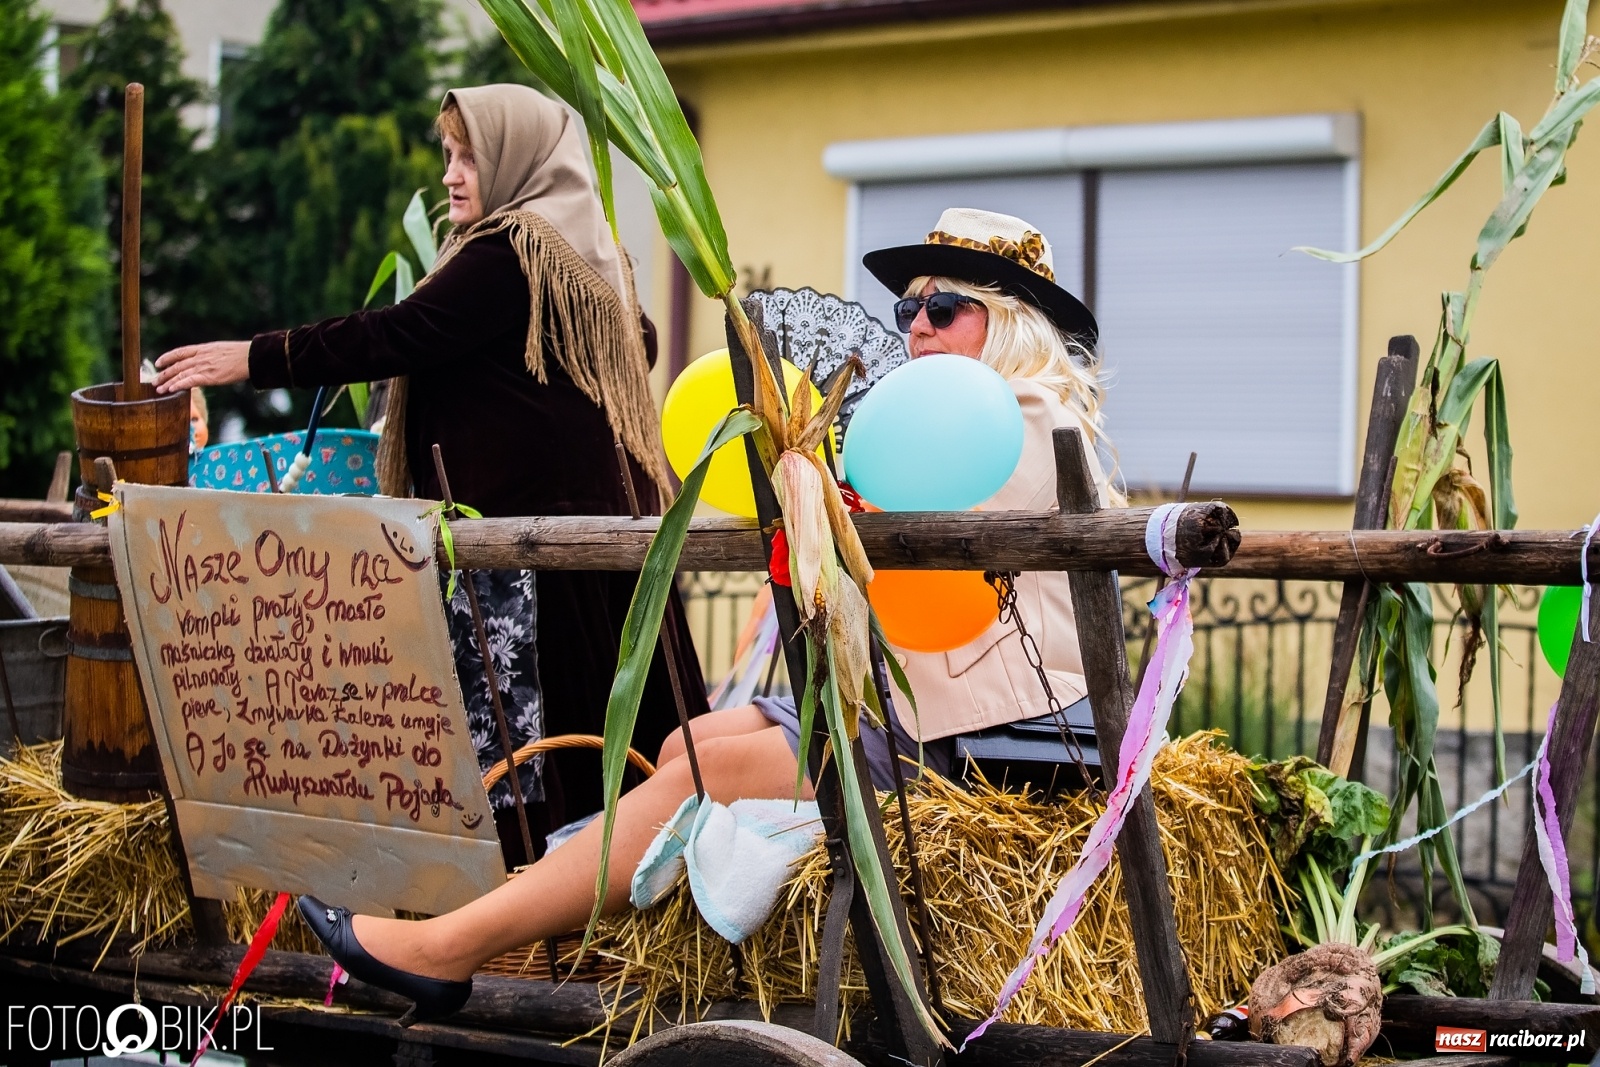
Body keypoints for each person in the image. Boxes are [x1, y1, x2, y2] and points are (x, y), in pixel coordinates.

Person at [292, 207, 1121, 1023]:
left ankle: (446, 949)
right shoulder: (933, 416)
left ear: (1011, 324)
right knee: (690, 741)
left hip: (992, 738)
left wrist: (814, 483)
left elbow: (888, 511)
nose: (918, 327)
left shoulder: (1023, 415)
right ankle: (589, 935)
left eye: (945, 308)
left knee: (699, 770)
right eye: (909, 309)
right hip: (913, 705)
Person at [152, 85, 709, 866]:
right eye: (448, 154)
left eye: (469, 155)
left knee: (533, 770)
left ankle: (537, 933)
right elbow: (637, 345)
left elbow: (399, 334)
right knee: (609, 765)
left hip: (536, 566)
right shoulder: (585, 258)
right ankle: (595, 918)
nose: (451, 173)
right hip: (595, 557)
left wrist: (255, 357)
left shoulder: (511, 252)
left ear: (518, 161)